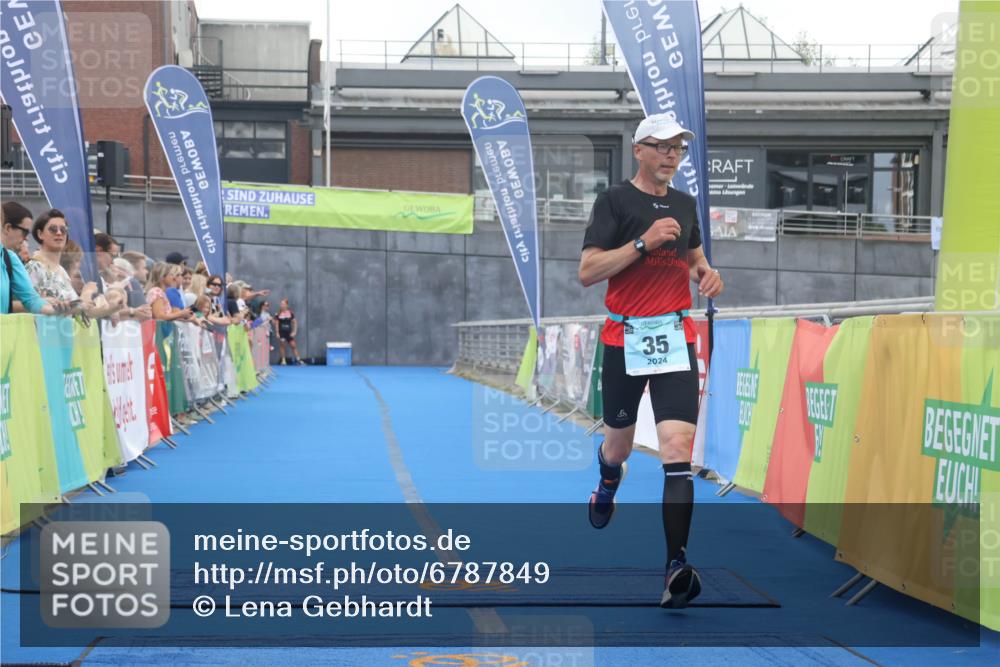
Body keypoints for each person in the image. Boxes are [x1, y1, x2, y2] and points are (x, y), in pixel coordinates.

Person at [578, 115, 724, 610]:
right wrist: (642, 242)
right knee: (617, 446)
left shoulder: (685, 205)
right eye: (661, 147)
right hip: (625, 338)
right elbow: (587, 271)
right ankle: (606, 481)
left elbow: (695, 258)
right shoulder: (614, 202)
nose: (671, 156)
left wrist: (706, 273)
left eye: (678, 148)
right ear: (639, 150)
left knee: (677, 448)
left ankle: (675, 566)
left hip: (675, 336)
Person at [26, 210, 122, 319]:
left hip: (62, 333)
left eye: (63, 229)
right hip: (43, 333)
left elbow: (77, 312)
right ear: (40, 234)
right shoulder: (34, 267)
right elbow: (26, 306)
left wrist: (113, 307)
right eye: (53, 229)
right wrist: (86, 293)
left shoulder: (61, 271)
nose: (59, 233)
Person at [0, 201, 68, 316]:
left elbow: (30, 299)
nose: (26, 238)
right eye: (25, 231)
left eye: (64, 229)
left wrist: (57, 309)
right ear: (7, 228)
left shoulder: (10, 259)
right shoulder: (32, 266)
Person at [274, 298, 304, 365]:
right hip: (282, 333)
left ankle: (298, 360)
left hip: (289, 333)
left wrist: (294, 331)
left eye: (283, 304)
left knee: (293, 345)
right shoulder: (278, 314)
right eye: (281, 304)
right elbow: (276, 324)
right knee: (282, 345)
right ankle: (283, 360)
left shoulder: (290, 313)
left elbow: (295, 322)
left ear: (287, 305)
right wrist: (277, 332)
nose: (282, 305)